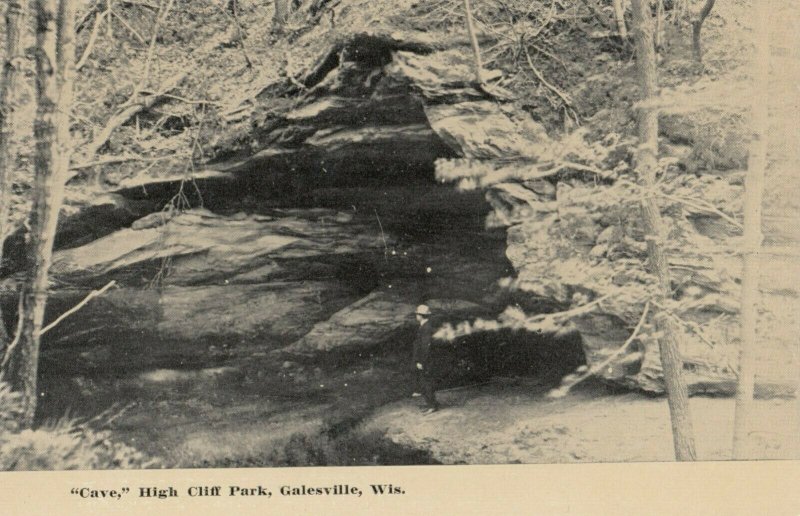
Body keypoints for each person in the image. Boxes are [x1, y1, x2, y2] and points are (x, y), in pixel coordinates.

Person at [412, 304, 440, 414]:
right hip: (426, 360)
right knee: (425, 381)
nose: (416, 316)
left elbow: (425, 346)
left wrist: (421, 362)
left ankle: (432, 406)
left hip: (426, 361)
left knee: (426, 382)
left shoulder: (426, 327)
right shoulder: (424, 325)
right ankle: (431, 403)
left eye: (417, 314)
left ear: (421, 316)